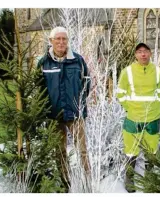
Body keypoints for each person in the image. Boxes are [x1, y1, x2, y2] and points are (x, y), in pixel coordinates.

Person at [37, 26, 91, 192]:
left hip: (75, 115)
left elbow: (86, 85)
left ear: (67, 41)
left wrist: (79, 105)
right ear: (51, 41)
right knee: (59, 151)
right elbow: (38, 88)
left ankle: (87, 183)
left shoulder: (78, 60)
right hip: (54, 115)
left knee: (82, 151)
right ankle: (65, 182)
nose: (61, 42)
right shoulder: (43, 62)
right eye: (58, 39)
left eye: (64, 39)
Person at [117, 43, 160, 192]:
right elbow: (120, 93)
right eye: (139, 52)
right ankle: (130, 180)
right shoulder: (127, 72)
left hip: (153, 118)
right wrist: (130, 108)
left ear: (150, 53)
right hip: (133, 118)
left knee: (152, 150)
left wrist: (155, 108)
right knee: (131, 151)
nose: (143, 54)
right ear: (135, 55)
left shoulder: (158, 71)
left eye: (145, 51)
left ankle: (150, 180)